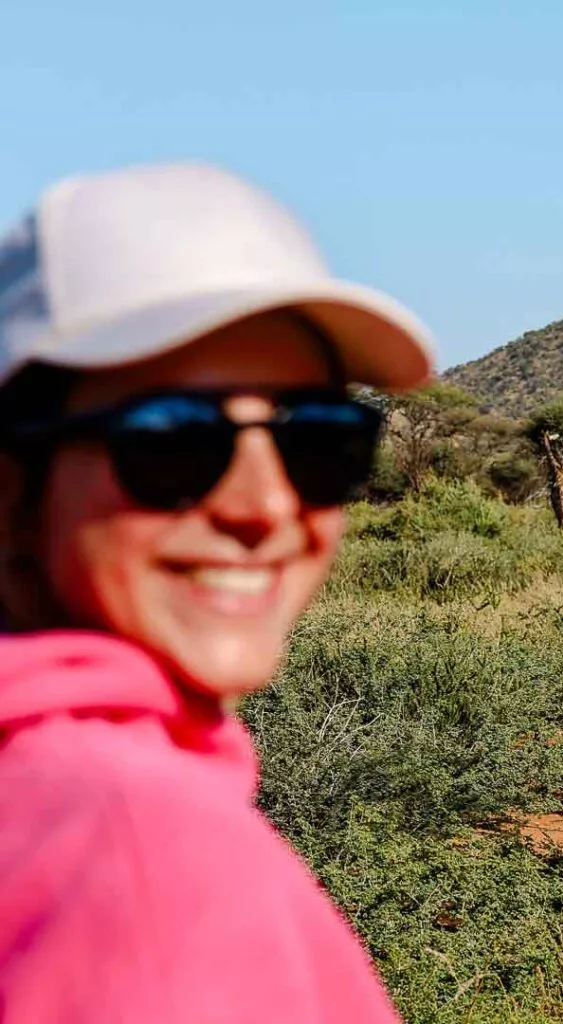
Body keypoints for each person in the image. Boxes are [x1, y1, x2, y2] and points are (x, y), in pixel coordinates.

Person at [0, 162, 434, 1022]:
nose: (266, 506)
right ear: (13, 485)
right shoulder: (140, 856)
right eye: (172, 441)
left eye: (319, 441)